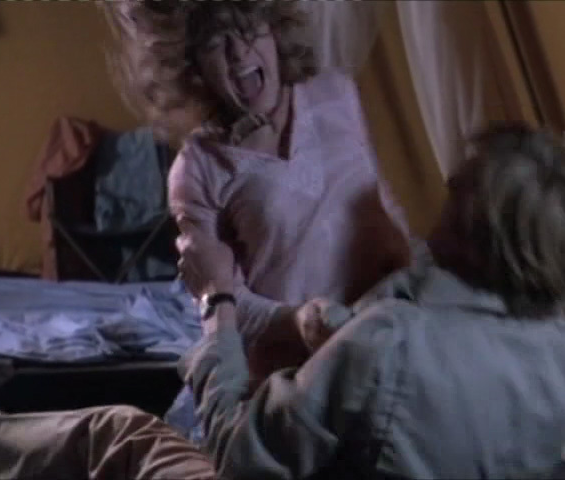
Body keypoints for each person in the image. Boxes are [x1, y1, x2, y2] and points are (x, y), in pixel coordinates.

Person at [0, 123, 565, 479]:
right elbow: (446, 376)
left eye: (460, 189)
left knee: (119, 430)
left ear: (478, 231)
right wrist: (335, 330)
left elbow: (235, 455)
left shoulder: (387, 343)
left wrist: (218, 304)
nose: (445, 189)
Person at [106, 0, 420, 441]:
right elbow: (223, 297)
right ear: (192, 66)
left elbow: (386, 206)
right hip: (296, 383)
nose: (239, 53)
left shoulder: (338, 94)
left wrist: (418, 274)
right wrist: (296, 321)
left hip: (384, 347)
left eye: (249, 28)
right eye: (216, 42)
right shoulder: (198, 169)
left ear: (275, 29)